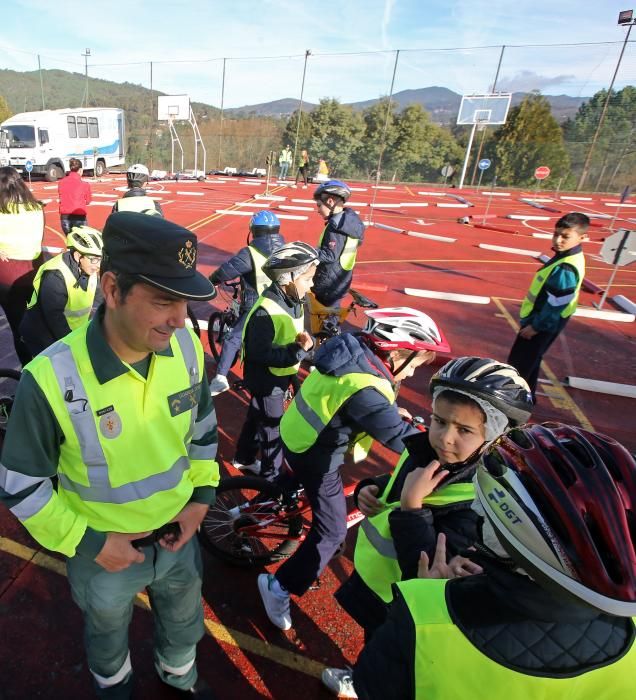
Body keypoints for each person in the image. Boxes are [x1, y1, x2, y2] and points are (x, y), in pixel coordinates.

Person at [0, 211, 219, 699]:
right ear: (113, 288)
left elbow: (202, 428)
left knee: (184, 626)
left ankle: (178, 678)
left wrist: (201, 499)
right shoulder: (51, 378)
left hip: (180, 538)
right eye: (164, 301)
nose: (180, 319)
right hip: (103, 555)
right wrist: (90, 543)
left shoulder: (184, 346)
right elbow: (21, 485)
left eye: (184, 301)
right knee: (106, 640)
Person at [349, 423, 636, 700]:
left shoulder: (427, 620)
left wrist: (431, 600)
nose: (477, 509)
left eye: (485, 510)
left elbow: (371, 683)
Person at [323, 357, 534, 697]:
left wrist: (411, 508)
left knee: (401, 666)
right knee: (376, 647)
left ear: (494, 436)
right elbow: (396, 484)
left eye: (464, 430)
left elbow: (428, 570)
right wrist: (370, 488)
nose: (444, 438)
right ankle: (362, 674)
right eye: (439, 420)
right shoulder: (425, 452)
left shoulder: (481, 502)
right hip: (379, 590)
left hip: (410, 603)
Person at [257, 307, 449, 631]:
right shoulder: (368, 390)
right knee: (332, 532)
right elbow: (400, 437)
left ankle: (276, 498)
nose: (413, 372)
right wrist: (444, 451)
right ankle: (279, 587)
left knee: (300, 491)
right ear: (398, 351)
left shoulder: (354, 349)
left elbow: (357, 401)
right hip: (314, 453)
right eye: (414, 363)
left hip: (297, 431)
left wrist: (387, 409)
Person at [234, 241, 318, 479]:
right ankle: (272, 478)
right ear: (288, 278)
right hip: (266, 379)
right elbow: (260, 354)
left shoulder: (294, 301)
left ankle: (244, 457)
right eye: (307, 279)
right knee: (273, 429)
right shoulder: (265, 312)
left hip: (281, 374)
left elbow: (292, 334)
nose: (311, 286)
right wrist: (297, 351)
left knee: (256, 416)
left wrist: (302, 347)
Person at [507, 212, 589, 398]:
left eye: (565, 237)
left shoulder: (566, 266)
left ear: (582, 237)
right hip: (543, 321)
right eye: (556, 234)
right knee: (530, 363)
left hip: (542, 323)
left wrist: (536, 326)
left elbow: (556, 303)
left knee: (519, 366)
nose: (558, 240)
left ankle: (513, 405)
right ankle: (528, 399)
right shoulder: (566, 256)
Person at [208, 210, 285, 397]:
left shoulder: (250, 253)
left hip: (257, 306)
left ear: (254, 231)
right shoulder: (285, 249)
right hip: (283, 306)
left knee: (232, 338)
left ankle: (220, 378)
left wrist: (211, 281)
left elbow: (226, 271)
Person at [20, 226, 103, 356]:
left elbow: (101, 297)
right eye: (94, 259)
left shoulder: (89, 269)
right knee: (51, 371)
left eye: (101, 259)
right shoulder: (55, 277)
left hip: (69, 331)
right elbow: (55, 319)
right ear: (77, 256)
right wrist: (75, 346)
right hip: (43, 333)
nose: (98, 265)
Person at [0, 165, 45, 366]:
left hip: (7, 276)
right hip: (34, 270)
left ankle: (27, 369)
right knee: (36, 321)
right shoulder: (36, 208)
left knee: (18, 327)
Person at [311, 180, 365, 309]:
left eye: (319, 205)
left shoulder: (336, 227)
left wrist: (308, 252)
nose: (318, 210)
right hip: (342, 279)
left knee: (323, 321)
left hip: (328, 284)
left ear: (330, 202)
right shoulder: (350, 222)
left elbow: (330, 255)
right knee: (331, 317)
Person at [58, 157, 92, 234]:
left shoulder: (61, 182)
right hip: (79, 217)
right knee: (82, 241)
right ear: (80, 170)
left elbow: (61, 196)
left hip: (65, 217)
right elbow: (88, 201)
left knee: (70, 240)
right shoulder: (85, 185)